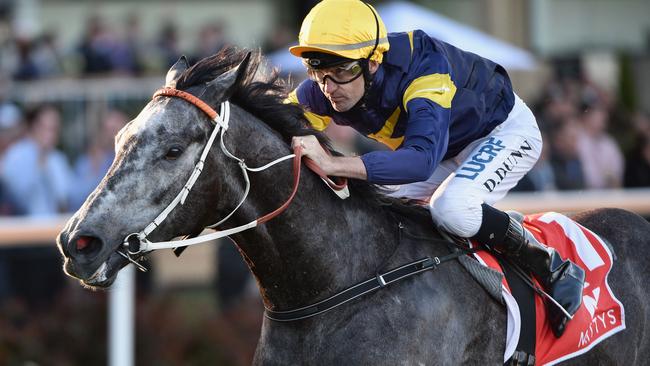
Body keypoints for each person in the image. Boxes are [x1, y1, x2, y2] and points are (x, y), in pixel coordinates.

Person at [286, 0, 584, 337]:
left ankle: (551, 266)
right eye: (318, 71)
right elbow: (270, 124)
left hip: (502, 132)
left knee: (452, 209)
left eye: (341, 72)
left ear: (372, 62)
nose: (329, 87)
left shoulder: (423, 66)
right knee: (366, 204)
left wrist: (335, 162)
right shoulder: (321, 88)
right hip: (443, 150)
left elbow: (420, 160)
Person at [0, 104, 72, 216]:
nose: (49, 134)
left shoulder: (58, 160)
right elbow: (15, 199)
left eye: (54, 129)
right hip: (21, 230)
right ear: (34, 126)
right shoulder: (15, 155)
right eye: (45, 127)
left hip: (53, 228)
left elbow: (65, 200)